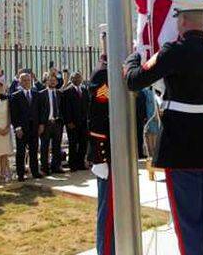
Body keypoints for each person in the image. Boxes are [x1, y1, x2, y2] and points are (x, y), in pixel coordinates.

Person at [125, 0, 203, 255]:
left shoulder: (174, 51)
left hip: (181, 146)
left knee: (188, 223)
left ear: (182, 20)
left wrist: (133, 59)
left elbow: (135, 81)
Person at [87, 28, 115, 255]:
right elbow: (97, 115)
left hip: (119, 151)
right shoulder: (103, 75)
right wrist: (100, 156)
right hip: (109, 153)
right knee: (108, 209)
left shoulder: (115, 70)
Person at [10, 72, 43, 181]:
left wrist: (41, 125)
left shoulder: (36, 94)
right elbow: (13, 114)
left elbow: (40, 111)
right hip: (22, 129)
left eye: (28, 80)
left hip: (34, 127)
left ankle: (35, 171)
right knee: (21, 152)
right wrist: (17, 127)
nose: (27, 82)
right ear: (19, 81)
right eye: (24, 80)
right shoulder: (15, 96)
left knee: (34, 151)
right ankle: (20, 174)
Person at [38, 73, 65, 175]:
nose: (53, 82)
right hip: (46, 123)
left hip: (57, 123)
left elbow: (62, 108)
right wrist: (40, 124)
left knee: (57, 146)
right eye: (50, 80)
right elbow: (39, 110)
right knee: (44, 147)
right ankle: (45, 168)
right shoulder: (41, 94)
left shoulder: (59, 94)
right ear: (46, 81)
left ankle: (56, 166)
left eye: (54, 80)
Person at [63, 72, 90, 171]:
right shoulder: (67, 91)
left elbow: (87, 105)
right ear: (71, 79)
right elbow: (65, 108)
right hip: (72, 123)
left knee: (83, 143)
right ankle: (72, 164)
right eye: (75, 78)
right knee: (73, 144)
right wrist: (68, 121)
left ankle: (80, 163)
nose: (78, 79)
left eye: (79, 77)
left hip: (83, 122)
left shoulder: (84, 90)